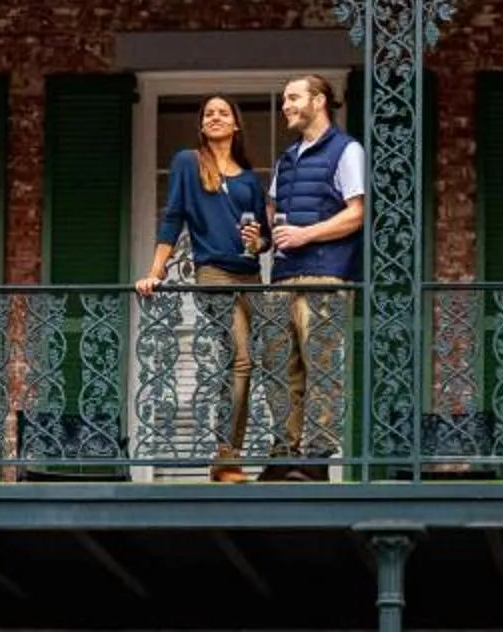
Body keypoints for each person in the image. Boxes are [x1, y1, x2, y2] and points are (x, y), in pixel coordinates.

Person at [133, 95, 268, 481]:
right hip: (214, 275)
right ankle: (227, 459)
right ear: (202, 125)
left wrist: (257, 240)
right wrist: (155, 272)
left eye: (223, 112)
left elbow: (265, 239)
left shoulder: (247, 178)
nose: (214, 117)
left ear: (236, 124)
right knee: (241, 359)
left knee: (242, 365)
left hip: (250, 275)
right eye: (208, 113)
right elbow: (173, 216)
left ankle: (229, 456)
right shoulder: (188, 163)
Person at [265, 73, 366, 480]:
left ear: (319, 100)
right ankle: (284, 454)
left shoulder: (347, 150)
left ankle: (319, 459)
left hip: (326, 274)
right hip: (283, 273)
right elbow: (274, 210)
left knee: (321, 366)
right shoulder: (287, 158)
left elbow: (356, 213)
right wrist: (263, 233)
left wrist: (306, 233)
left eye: (293, 98)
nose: (285, 105)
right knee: (279, 367)